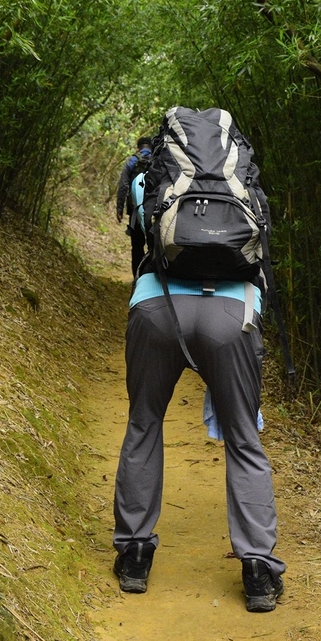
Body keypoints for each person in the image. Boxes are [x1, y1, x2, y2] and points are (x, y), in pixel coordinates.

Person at [112, 152, 285, 613]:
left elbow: (137, 221)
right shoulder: (244, 187)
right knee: (244, 439)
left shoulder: (156, 178)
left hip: (157, 309)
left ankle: (134, 554)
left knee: (145, 424)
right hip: (233, 316)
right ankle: (258, 572)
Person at [116, 136, 153, 276]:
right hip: (154, 210)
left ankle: (137, 279)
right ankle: (150, 278)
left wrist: (119, 208)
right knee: (153, 245)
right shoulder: (157, 160)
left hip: (135, 211)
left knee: (137, 246)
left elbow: (123, 185)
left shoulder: (132, 161)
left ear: (138, 148)